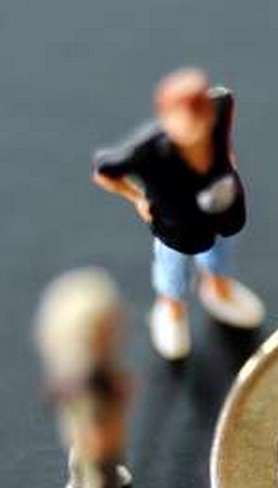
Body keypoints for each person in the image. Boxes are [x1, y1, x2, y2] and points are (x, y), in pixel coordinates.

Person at [92, 68, 264, 360]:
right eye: (184, 118)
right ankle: (171, 311)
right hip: (176, 224)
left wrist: (227, 156)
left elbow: (225, 107)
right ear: (166, 116)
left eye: (200, 115)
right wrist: (137, 197)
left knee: (221, 255)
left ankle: (219, 291)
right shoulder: (146, 151)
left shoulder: (219, 109)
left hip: (222, 209)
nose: (194, 127)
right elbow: (104, 171)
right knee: (173, 272)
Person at [34, 268, 132, 488]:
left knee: (94, 455)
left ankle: (89, 477)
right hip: (94, 433)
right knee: (95, 461)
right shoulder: (81, 379)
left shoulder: (88, 366)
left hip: (96, 428)